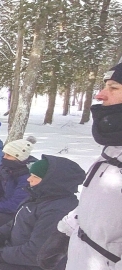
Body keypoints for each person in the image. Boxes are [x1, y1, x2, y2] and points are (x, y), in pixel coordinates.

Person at [42, 63, 122, 270]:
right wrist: (65, 230)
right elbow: (99, 204)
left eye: (114, 88)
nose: (100, 96)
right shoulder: (113, 149)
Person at [0, 155, 85, 270]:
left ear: (52, 181)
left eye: (35, 177)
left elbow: (36, 253)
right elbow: (18, 220)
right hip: (18, 248)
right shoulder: (39, 196)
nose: (29, 179)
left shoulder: (58, 210)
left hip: (37, 264)